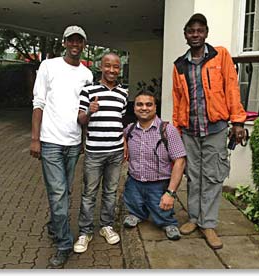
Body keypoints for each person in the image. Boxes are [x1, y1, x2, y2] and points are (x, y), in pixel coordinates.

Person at [172, 13, 247, 249]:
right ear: (185, 34)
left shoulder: (220, 55)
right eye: (191, 31)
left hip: (216, 128)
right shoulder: (179, 65)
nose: (195, 35)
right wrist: (175, 132)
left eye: (199, 30)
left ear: (206, 32)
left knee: (213, 176)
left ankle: (209, 223)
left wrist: (238, 121)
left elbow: (232, 87)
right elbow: (177, 100)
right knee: (194, 177)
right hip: (190, 131)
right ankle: (194, 218)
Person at [29, 25, 93, 267]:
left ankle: (55, 226)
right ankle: (64, 244)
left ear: (83, 45)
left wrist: (85, 140)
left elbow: (84, 110)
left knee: (64, 192)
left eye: (80, 41)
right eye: (71, 40)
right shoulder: (48, 66)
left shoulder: (87, 75)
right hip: (51, 142)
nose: (75, 44)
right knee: (58, 194)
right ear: (64, 42)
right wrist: (35, 139)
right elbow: (38, 103)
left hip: (74, 143)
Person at [73, 52, 128, 253]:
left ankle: (106, 226)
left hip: (115, 152)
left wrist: (123, 145)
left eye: (116, 67)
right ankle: (85, 232)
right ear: (101, 67)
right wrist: (90, 111)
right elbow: (80, 120)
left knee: (111, 192)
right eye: (108, 66)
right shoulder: (88, 90)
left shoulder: (123, 93)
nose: (112, 70)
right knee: (89, 193)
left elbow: (119, 123)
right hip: (94, 152)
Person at [122, 91, 186, 240]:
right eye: (139, 104)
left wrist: (170, 193)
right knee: (133, 201)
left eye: (148, 104)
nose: (144, 108)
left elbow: (180, 161)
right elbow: (121, 137)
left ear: (155, 108)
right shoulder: (130, 129)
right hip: (134, 181)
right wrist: (124, 143)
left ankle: (168, 223)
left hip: (159, 183)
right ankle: (137, 215)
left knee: (163, 210)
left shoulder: (167, 130)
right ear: (134, 108)